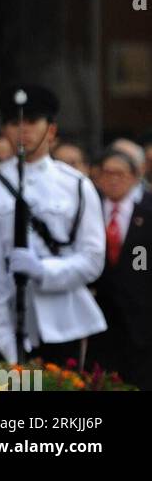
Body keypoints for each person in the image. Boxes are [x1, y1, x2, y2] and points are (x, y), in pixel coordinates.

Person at [0, 84, 105, 366]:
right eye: (15, 122)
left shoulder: (76, 185)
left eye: (31, 122)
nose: (23, 130)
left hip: (64, 319)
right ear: (4, 130)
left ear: (51, 129)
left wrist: (44, 271)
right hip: (6, 318)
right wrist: (4, 334)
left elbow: (93, 259)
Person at [89, 146, 150, 389]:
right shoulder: (88, 209)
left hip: (142, 321)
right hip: (101, 320)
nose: (113, 179)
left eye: (120, 174)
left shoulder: (148, 210)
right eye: (107, 173)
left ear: (135, 177)